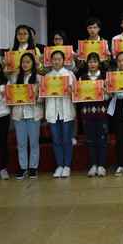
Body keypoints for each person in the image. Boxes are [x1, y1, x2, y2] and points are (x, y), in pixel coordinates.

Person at [76, 52, 110, 177]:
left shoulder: (105, 77)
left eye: (95, 61)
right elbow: (78, 97)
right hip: (87, 113)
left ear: (99, 63)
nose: (92, 64)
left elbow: (109, 96)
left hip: (101, 113)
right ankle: (93, 165)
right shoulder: (82, 78)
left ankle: (101, 166)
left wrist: (106, 92)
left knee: (102, 140)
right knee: (90, 140)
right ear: (87, 63)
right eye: (90, 62)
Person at [43, 50, 76, 178]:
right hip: (53, 111)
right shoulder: (47, 77)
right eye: (54, 59)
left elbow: (77, 94)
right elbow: (43, 96)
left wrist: (72, 91)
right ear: (51, 61)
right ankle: (59, 165)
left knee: (67, 139)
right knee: (56, 140)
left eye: (59, 59)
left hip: (66, 110)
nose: (56, 61)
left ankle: (67, 166)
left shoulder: (69, 74)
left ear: (63, 61)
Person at [11, 52, 43, 180]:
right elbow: (10, 95)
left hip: (33, 113)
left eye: (28, 62)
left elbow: (43, 97)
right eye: (23, 62)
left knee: (34, 142)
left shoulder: (39, 78)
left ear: (33, 64)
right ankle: (23, 167)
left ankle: (33, 168)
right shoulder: (14, 78)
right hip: (19, 114)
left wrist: (36, 96)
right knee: (21, 143)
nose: (25, 64)